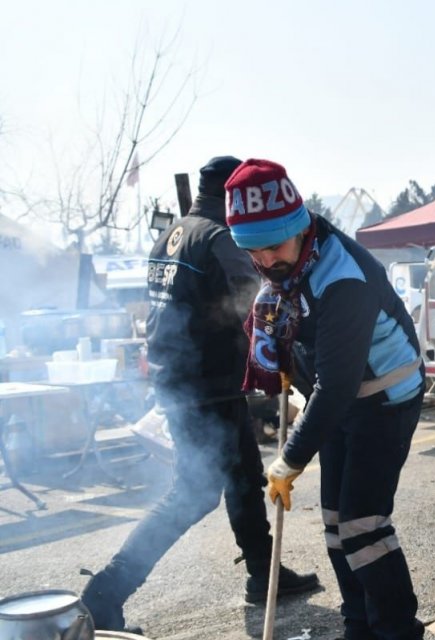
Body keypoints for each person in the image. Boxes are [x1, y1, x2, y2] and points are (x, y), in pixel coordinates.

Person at [82, 156, 319, 631]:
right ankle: (104, 592)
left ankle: (262, 572)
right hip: (204, 383)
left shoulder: (169, 234)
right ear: (229, 196)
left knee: (243, 475)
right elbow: (253, 301)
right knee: (193, 493)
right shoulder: (216, 236)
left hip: (186, 377)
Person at [224, 159, 426, 640]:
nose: (268, 261)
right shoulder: (288, 270)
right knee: (336, 523)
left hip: (385, 398)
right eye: (255, 252)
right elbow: (324, 379)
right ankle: (359, 626)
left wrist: (290, 460)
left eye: (274, 246)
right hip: (339, 400)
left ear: (298, 226)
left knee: (364, 523)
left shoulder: (342, 279)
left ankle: (398, 631)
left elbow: (335, 386)